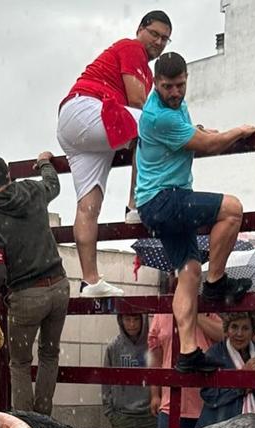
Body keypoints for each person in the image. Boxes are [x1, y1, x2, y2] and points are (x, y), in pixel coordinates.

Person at [135, 51, 255, 373]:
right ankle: (217, 280)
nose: (174, 93)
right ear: (155, 84)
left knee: (189, 272)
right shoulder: (158, 116)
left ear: (186, 80)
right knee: (232, 209)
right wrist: (238, 131)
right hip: (165, 199)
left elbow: (191, 135)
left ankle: (188, 353)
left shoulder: (174, 109)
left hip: (162, 200)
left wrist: (200, 131)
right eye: (167, 87)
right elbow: (209, 146)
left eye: (179, 85)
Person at [57, 10, 173, 297]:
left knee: (88, 206)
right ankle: (135, 204)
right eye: (155, 34)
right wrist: (184, 130)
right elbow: (137, 102)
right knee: (150, 126)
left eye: (165, 39)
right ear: (140, 29)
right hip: (88, 109)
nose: (158, 42)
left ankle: (90, 280)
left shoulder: (140, 62)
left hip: (74, 123)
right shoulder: (131, 48)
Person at [0, 153, 69, 415]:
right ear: (8, 174)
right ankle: (44, 417)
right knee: (50, 355)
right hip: (60, 286)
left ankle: (26, 424)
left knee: (20, 364)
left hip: (27, 296)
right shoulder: (32, 189)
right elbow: (54, 185)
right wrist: (46, 162)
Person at [147, 309, 223, 428]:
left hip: (206, 406)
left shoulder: (209, 312)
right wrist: (155, 394)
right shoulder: (162, 315)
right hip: (170, 404)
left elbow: (223, 335)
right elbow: (155, 359)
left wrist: (194, 314)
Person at [194, 312, 255, 428]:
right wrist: (243, 379)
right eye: (234, 327)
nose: (239, 334)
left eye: (245, 328)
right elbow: (209, 395)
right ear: (227, 329)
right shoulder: (215, 354)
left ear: (253, 331)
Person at [102, 313, 158, 428]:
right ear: (121, 320)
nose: (132, 324)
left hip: (150, 416)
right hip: (123, 417)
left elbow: (161, 376)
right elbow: (106, 382)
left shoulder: (153, 345)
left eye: (136, 319)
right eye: (128, 319)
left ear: (143, 320)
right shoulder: (113, 348)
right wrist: (111, 413)